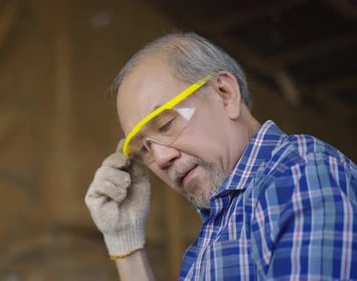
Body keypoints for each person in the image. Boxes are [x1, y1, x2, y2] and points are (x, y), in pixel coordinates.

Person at [84, 32, 357, 281]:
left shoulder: (300, 178)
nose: (162, 158)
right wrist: (127, 245)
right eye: (145, 149)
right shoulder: (209, 238)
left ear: (225, 94)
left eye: (166, 124)